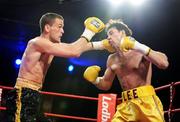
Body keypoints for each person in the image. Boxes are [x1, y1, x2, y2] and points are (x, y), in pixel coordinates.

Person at [5, 12, 105, 122]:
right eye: (59, 27)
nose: (62, 31)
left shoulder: (51, 46)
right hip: (23, 93)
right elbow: (74, 51)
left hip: (34, 93)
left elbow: (76, 47)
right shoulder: (37, 42)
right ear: (47, 27)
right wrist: (89, 32)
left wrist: (101, 45)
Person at [83, 19, 169, 122]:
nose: (108, 38)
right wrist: (95, 80)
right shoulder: (111, 59)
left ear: (122, 33)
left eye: (111, 33)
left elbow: (163, 63)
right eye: (107, 35)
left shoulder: (139, 51)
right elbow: (106, 84)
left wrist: (138, 46)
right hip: (126, 106)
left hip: (147, 103)